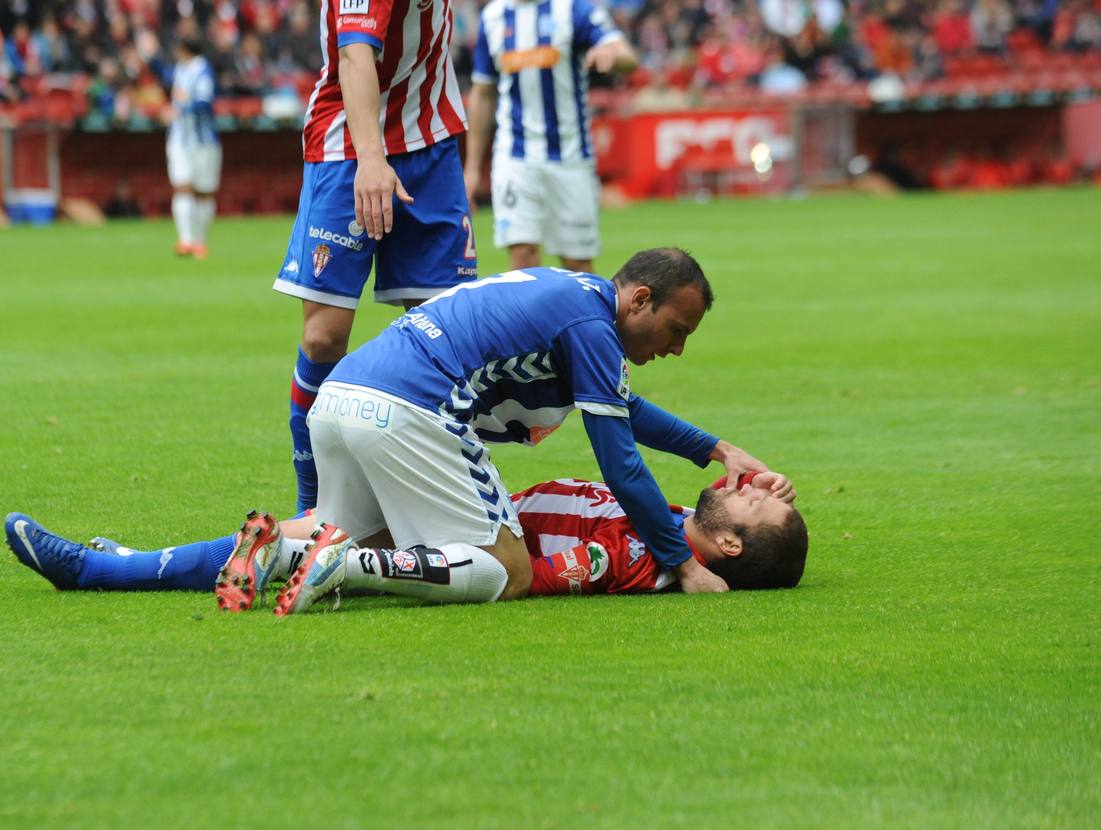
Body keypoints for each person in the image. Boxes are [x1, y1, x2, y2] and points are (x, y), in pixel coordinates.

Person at [235, 248, 786, 616]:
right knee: (509, 570)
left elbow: (625, 408)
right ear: (640, 299)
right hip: (411, 411)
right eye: (676, 329)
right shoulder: (591, 329)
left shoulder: (577, 299)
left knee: (342, 531)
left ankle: (265, 553)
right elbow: (619, 464)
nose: (676, 348)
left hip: (342, 396)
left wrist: (716, 449)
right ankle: (344, 568)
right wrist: (683, 563)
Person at [1, 471, 807, 604]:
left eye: (750, 507)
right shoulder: (673, 527)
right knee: (293, 531)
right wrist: (761, 491)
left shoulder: (636, 556)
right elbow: (712, 515)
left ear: (729, 548)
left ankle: (99, 572)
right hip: (464, 507)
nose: (742, 490)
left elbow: (526, 576)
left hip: (459, 531)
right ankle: (123, 565)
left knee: (297, 540)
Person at [274, 0, 477, 515]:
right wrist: (371, 159)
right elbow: (355, 54)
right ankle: (313, 507)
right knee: (323, 337)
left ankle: (443, 504)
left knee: (447, 338)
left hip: (430, 140)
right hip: (349, 144)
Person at [463, 0, 637, 274]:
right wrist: (471, 168)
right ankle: (525, 319)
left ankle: (580, 317)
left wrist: (612, 55)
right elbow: (483, 92)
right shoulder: (493, 16)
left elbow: (628, 57)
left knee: (577, 263)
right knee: (523, 254)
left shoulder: (574, 9)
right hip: (514, 155)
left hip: (571, 156)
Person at [164, 38, 218, 259]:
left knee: (203, 192)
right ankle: (185, 240)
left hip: (203, 142)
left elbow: (205, 102)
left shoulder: (203, 71)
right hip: (179, 139)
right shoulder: (179, 69)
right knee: (182, 186)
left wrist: (183, 107)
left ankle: (199, 240)